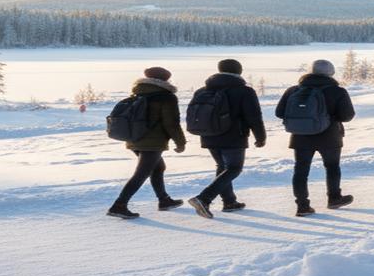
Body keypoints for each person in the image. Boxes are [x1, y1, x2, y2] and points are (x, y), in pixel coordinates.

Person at [186, 59, 266, 219]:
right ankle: (204, 198)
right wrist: (260, 136)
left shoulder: (203, 90)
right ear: (239, 72)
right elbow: (254, 116)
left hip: (208, 134)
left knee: (222, 166)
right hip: (234, 136)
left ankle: (229, 202)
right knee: (234, 168)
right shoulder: (244, 91)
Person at [276, 59, 356, 216]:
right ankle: (334, 198)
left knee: (300, 170)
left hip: (300, 137)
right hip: (330, 136)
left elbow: (279, 112)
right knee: (332, 167)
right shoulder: (337, 91)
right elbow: (347, 116)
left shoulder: (293, 90)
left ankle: (302, 206)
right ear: (330, 73)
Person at [107, 66, 187, 219]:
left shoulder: (138, 93)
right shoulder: (167, 97)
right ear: (164, 80)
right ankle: (119, 205)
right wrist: (180, 142)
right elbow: (171, 123)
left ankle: (164, 200)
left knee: (158, 167)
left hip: (134, 138)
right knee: (141, 173)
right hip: (153, 142)